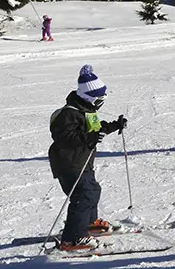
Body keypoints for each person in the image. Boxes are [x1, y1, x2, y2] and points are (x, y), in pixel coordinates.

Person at [47, 65, 127, 251]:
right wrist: (88, 138)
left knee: (92, 190)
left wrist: (115, 125)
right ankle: (73, 239)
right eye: (99, 100)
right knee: (84, 195)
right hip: (68, 162)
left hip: (82, 161)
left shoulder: (86, 110)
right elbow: (63, 138)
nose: (101, 103)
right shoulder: (69, 113)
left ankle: (89, 223)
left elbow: (94, 130)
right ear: (89, 97)